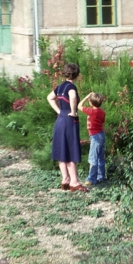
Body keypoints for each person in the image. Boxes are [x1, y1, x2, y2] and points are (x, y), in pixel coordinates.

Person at [47, 63, 88, 193]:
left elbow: (49, 98)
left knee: (62, 150)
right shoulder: (71, 87)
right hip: (69, 121)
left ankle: (65, 180)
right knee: (70, 151)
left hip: (60, 120)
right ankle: (74, 183)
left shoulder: (60, 87)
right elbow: (73, 96)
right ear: (76, 74)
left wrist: (59, 111)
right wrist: (73, 111)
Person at [78, 92, 107, 186]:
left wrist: (86, 96)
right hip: (101, 135)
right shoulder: (102, 113)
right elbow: (103, 125)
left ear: (90, 102)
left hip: (95, 136)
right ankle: (101, 177)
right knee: (100, 158)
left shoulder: (91, 111)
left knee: (93, 158)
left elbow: (79, 106)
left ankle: (91, 179)